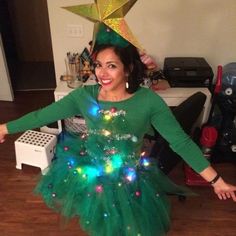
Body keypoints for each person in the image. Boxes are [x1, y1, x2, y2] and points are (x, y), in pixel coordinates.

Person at [0, 38, 236, 236]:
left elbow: (181, 142)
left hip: (128, 179)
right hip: (90, 174)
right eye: (98, 65)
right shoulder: (84, 96)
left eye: (111, 65)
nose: (101, 73)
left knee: (127, 226)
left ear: (128, 68)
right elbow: (42, 115)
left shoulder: (148, 101)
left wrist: (216, 181)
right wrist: (4, 128)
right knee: (99, 222)